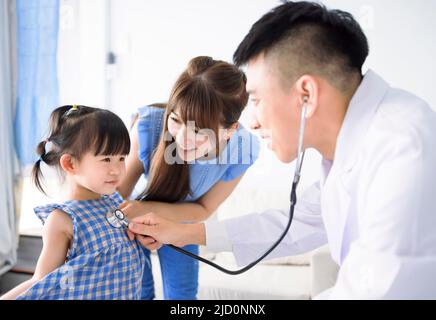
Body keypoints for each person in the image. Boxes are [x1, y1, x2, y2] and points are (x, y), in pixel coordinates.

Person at [126, 1, 436, 299]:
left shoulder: (403, 149)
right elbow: (295, 224)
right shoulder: (357, 147)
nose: (254, 122)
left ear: (306, 94)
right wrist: (183, 233)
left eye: (257, 100)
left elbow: (376, 290)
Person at [117, 56, 259, 300]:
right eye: (176, 120)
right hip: (129, 226)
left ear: (230, 130)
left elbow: (204, 209)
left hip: (179, 223)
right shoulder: (149, 126)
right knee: (140, 294)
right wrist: (136, 222)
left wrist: (143, 209)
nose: (182, 138)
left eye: (198, 130)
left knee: (181, 297)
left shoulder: (241, 148)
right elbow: (116, 194)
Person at [0, 105, 146, 300]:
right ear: (70, 164)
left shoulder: (114, 201)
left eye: (122, 158)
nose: (118, 170)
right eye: (106, 159)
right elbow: (40, 282)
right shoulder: (63, 219)